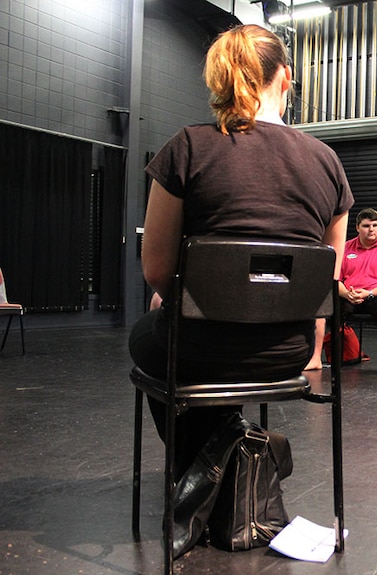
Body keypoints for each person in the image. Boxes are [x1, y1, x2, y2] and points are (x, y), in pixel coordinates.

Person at [128, 24, 353, 475]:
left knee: (148, 337)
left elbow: (156, 269)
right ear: (285, 77)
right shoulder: (327, 161)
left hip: (197, 344)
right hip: (287, 351)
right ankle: (229, 454)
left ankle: (211, 463)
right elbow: (325, 276)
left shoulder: (187, 147)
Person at [306, 208, 377, 377]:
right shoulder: (345, 248)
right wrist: (346, 293)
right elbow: (333, 279)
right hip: (351, 294)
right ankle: (315, 358)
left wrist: (369, 293)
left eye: (375, 225)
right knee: (320, 303)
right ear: (357, 227)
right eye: (367, 226)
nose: (371, 229)